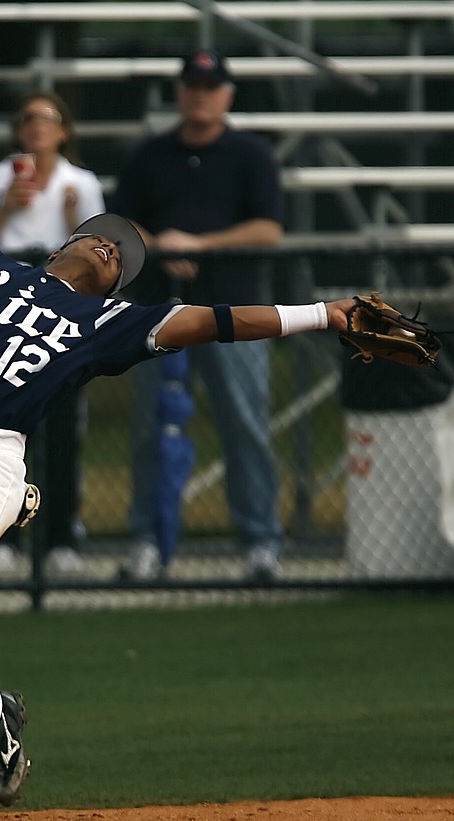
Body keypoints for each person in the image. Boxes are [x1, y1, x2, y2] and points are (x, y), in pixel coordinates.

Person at [0, 201, 354, 821]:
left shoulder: (104, 320)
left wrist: (322, 314)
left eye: (122, 258)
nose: (111, 251)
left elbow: (211, 321)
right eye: (105, 240)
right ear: (69, 241)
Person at [110, 49, 286, 583]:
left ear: (227, 95)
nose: (201, 95)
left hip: (235, 311)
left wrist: (202, 244)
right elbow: (121, 225)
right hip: (158, 312)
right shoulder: (149, 155)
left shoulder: (251, 156)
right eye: (192, 86)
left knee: (245, 424)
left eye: (210, 87)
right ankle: (147, 539)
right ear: (180, 92)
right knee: (150, 427)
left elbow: (268, 230)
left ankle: (260, 541)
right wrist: (162, 244)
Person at [0, 90, 105, 577]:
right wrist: (5, 209)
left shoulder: (79, 183)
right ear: (19, 130)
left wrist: (70, 221)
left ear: (63, 130)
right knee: (1, 426)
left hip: (60, 309)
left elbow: (100, 260)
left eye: (48, 118)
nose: (38, 126)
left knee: (62, 426)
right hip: (6, 304)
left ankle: (62, 537)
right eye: (29, 118)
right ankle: (0, 540)